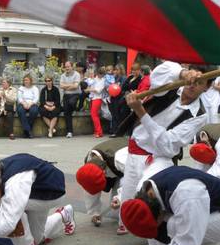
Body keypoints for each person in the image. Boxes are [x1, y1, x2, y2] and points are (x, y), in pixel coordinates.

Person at [115, 62, 209, 232]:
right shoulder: (170, 87)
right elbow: (159, 73)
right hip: (135, 150)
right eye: (192, 78)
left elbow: (168, 144)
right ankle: (123, 198)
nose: (193, 84)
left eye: (200, 82)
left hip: (159, 158)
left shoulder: (200, 115)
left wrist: (141, 112)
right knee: (127, 209)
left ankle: (161, 231)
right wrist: (182, 73)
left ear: (206, 88)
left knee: (148, 199)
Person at [76, 137, 127, 230]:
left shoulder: (121, 159)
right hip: (113, 167)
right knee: (90, 182)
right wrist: (94, 212)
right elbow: (90, 189)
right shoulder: (89, 159)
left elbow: (132, 180)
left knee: (120, 206)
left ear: (104, 173)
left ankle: (127, 222)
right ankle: (95, 213)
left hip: (128, 169)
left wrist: (120, 197)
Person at [60, 61, 81, 138]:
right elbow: (61, 86)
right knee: (67, 113)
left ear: (72, 67)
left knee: (71, 103)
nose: (67, 68)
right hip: (66, 95)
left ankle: (76, 108)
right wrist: (70, 85)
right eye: (66, 67)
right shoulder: (63, 75)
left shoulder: (77, 74)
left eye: (68, 66)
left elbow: (76, 86)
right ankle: (69, 132)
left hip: (75, 94)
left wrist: (66, 86)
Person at [87, 68, 106, 138]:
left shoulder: (103, 80)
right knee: (94, 115)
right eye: (98, 74)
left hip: (98, 98)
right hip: (93, 98)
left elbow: (98, 90)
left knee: (94, 115)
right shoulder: (95, 79)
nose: (99, 75)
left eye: (101, 74)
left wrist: (89, 89)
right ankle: (96, 131)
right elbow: (90, 85)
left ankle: (99, 132)